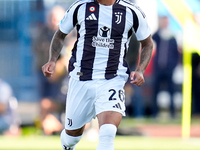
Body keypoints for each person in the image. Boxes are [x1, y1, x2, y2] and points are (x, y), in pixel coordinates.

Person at [42, 0, 153, 149]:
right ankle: (67, 144)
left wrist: (140, 69)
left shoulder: (132, 11)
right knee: (71, 137)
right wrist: (52, 60)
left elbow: (147, 43)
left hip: (112, 79)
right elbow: (60, 34)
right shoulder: (80, 7)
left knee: (107, 133)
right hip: (81, 78)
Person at [33, 5, 67, 135]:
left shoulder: (68, 33)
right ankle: (47, 128)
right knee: (43, 102)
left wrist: (56, 70)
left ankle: (60, 127)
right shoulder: (42, 32)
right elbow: (37, 51)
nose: (53, 21)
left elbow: (67, 56)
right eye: (51, 18)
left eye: (56, 18)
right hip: (43, 74)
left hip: (62, 78)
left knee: (59, 103)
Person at [152, 16, 179, 118]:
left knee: (171, 91)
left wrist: (173, 66)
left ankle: (172, 113)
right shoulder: (159, 35)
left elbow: (176, 54)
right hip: (159, 68)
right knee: (156, 91)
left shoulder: (172, 37)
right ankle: (155, 113)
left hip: (168, 68)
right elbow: (152, 37)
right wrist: (159, 27)